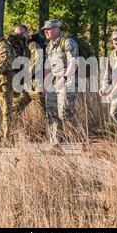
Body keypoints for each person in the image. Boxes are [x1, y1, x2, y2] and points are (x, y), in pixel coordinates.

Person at [43, 19, 79, 153]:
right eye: (45, 29)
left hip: (67, 81)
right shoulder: (49, 46)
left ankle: (83, 138)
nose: (46, 31)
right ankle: (55, 144)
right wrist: (45, 85)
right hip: (54, 82)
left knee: (65, 113)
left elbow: (74, 63)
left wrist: (64, 78)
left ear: (57, 29)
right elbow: (48, 66)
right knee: (51, 112)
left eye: (49, 28)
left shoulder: (68, 42)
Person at [11, 25, 45, 115]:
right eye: (17, 34)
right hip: (26, 85)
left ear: (27, 33)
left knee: (47, 112)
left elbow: (38, 62)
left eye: (22, 33)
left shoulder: (33, 45)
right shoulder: (19, 47)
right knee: (14, 110)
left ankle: (55, 128)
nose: (20, 36)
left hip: (36, 84)